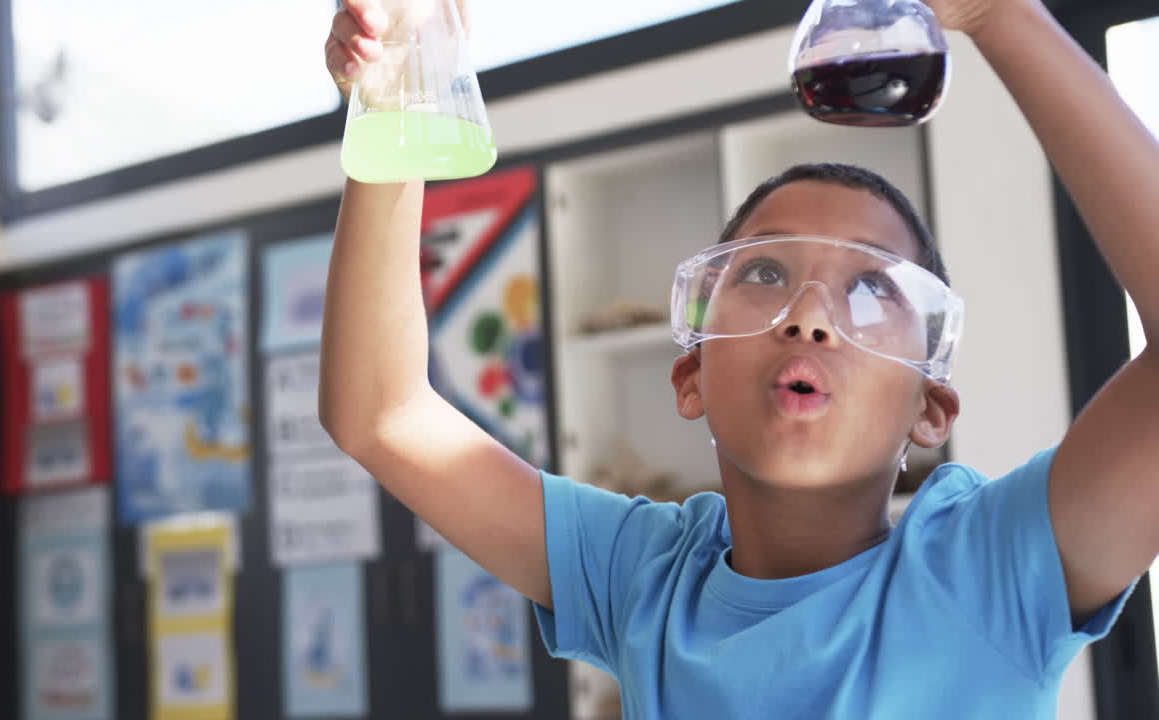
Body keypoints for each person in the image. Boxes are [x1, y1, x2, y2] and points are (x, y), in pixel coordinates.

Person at [319, 0, 1159, 716]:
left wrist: (1002, 16)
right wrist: (400, 94)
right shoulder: (645, 580)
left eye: (872, 288)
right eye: (764, 273)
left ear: (930, 409)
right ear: (692, 376)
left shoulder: (987, 574)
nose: (811, 317)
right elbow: (381, 413)